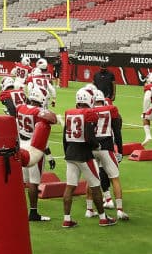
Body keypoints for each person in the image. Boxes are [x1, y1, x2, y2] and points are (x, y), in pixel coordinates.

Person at [61, 90, 111, 228]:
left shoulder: (69, 113)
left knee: (70, 187)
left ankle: (66, 219)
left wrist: (67, 152)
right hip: (84, 155)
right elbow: (89, 136)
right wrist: (97, 144)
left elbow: (64, 137)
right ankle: (103, 218)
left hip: (70, 153)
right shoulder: (89, 114)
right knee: (95, 186)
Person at [16, 83, 55, 222]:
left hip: (21, 145)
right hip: (34, 147)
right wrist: (49, 155)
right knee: (33, 182)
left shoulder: (20, 107)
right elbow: (46, 128)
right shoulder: (39, 113)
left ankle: (19, 209)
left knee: (23, 181)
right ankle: (33, 213)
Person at [89, 88, 127, 220]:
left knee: (91, 179)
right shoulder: (111, 110)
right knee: (115, 178)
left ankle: (89, 209)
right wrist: (120, 151)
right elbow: (117, 132)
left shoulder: (88, 111)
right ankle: (120, 210)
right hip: (106, 147)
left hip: (92, 148)